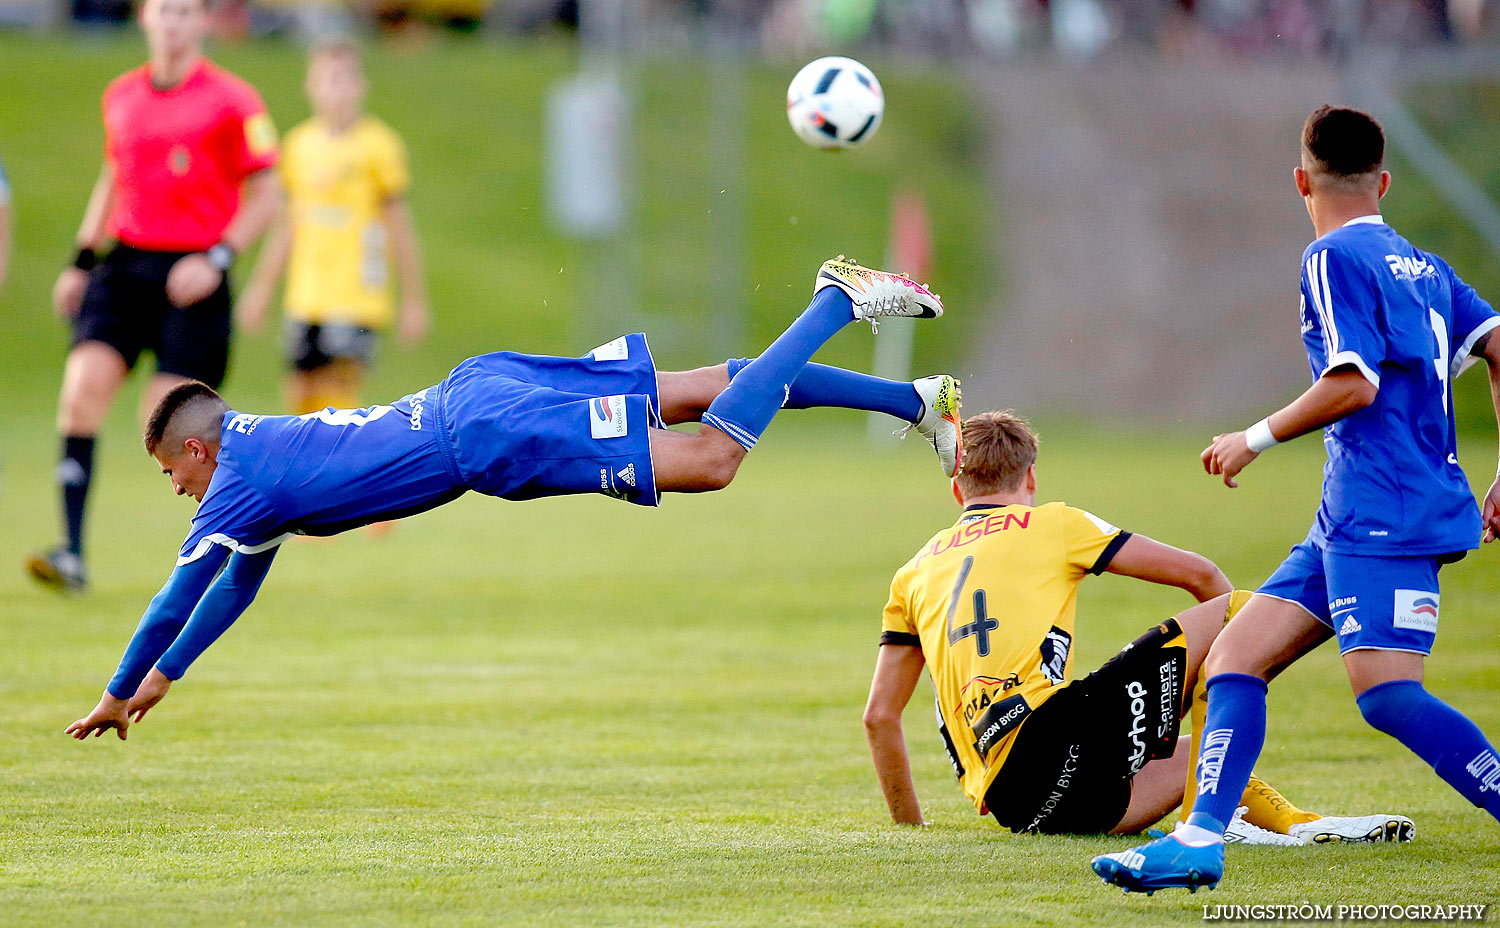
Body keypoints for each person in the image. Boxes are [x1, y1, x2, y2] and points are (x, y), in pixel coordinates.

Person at [64, 257, 963, 740]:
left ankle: (833, 302)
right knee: (694, 387)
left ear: (195, 449)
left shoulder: (233, 486)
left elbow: (173, 596)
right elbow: (236, 586)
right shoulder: (259, 458)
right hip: (477, 387)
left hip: (485, 441)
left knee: (709, 459)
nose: (179, 491)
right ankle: (917, 402)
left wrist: (114, 689)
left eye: (171, 473)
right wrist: (166, 678)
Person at [1093, 106, 1500, 894]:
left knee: (1387, 695)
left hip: (1385, 510)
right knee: (1236, 656)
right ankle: (1200, 839)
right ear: (1383, 181)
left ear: (1300, 180)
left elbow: (1355, 381)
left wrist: (1254, 438)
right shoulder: (1422, 264)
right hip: (1352, 514)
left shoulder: (1330, 256)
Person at [864, 410, 1410, 844]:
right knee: (1240, 609)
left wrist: (912, 830)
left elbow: (880, 717)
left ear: (957, 491)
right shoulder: (1053, 522)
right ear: (1030, 476)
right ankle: (1213, 826)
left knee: (1213, 751)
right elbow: (1199, 574)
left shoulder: (912, 572)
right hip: (1056, 745)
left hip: (1024, 806)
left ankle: (1293, 825)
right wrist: (1234, 662)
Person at [27, 0, 280, 594]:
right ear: (145, 18)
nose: (173, 22)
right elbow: (114, 176)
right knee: (80, 392)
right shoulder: (121, 95)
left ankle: (220, 550)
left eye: (187, 11)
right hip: (126, 265)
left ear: (203, 23)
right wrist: (81, 258)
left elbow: (268, 191)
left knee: (173, 429)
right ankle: (72, 554)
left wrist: (218, 258)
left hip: (193, 271)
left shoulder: (234, 99)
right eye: (164, 10)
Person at [238, 38, 430, 415]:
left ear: (361, 85)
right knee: (300, 393)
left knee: (338, 392)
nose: (336, 90)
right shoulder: (298, 145)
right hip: (306, 295)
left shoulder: (379, 146)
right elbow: (286, 227)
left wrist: (413, 300)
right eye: (327, 79)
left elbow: (400, 227)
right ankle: (311, 472)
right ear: (310, 86)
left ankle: (344, 470)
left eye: (344, 79)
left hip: (356, 295)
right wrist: (260, 290)